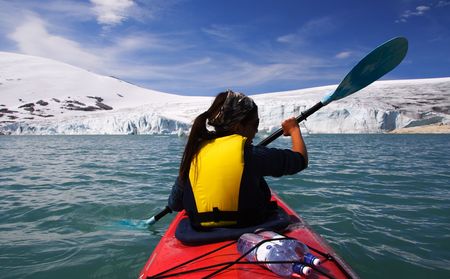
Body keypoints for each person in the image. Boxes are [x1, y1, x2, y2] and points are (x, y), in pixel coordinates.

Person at [168, 90, 308, 229]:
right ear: (238, 126)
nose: (256, 131)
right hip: (248, 226)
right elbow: (300, 160)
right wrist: (294, 129)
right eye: (255, 124)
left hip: (200, 232)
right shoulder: (252, 155)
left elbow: (175, 204)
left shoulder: (194, 154)